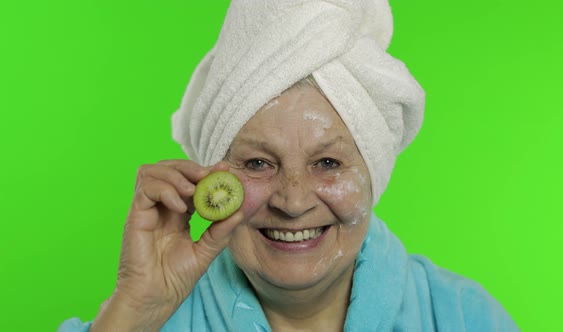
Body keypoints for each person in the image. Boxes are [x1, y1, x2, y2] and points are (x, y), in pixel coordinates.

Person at [59, 0, 519, 331]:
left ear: (372, 175)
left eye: (328, 162)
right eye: (258, 162)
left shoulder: (462, 316)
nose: (294, 202)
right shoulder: (141, 321)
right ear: (211, 181)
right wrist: (135, 313)